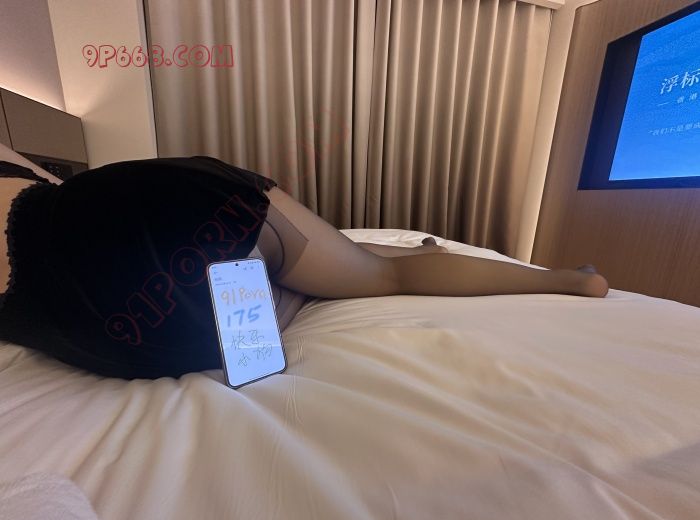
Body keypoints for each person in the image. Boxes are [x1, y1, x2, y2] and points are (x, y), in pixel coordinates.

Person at [0, 156, 608, 380]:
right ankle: (567, 279)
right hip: (185, 212)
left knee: (302, 284)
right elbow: (57, 201)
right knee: (379, 272)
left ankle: (275, 298)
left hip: (132, 321)